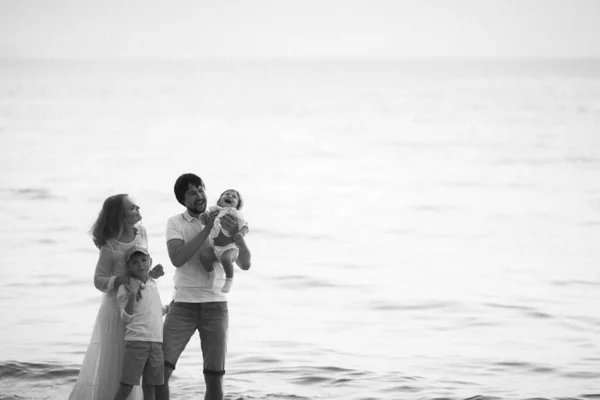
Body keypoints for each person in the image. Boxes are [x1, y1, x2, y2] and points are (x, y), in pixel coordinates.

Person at [155, 174, 252, 400]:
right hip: (182, 306)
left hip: (216, 306)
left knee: (214, 377)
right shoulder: (175, 223)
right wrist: (206, 229)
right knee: (160, 370)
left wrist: (238, 237)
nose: (199, 195)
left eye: (200, 190)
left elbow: (245, 264)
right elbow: (177, 259)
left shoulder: (227, 218)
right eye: (192, 192)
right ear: (183, 199)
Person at [69, 194, 164, 400]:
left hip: (141, 310)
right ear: (120, 216)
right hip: (116, 309)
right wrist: (123, 281)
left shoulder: (142, 233)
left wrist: (151, 275)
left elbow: (141, 266)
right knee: (118, 362)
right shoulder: (110, 245)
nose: (138, 208)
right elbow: (99, 280)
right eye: (132, 208)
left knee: (140, 363)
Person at [114, 245, 168, 400]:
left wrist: (168, 308)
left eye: (144, 260)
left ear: (150, 261)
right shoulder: (126, 287)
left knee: (150, 388)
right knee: (126, 386)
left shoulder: (153, 284)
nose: (140, 264)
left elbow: (154, 311)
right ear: (129, 266)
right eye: (135, 262)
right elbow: (126, 317)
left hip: (156, 343)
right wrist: (132, 294)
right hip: (137, 342)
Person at [198, 189, 249, 293]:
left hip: (231, 248)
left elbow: (245, 226)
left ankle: (229, 281)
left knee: (226, 258)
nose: (229, 196)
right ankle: (212, 274)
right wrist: (203, 218)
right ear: (219, 201)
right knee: (203, 256)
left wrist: (240, 233)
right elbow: (204, 220)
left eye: (234, 197)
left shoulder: (236, 214)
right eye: (226, 194)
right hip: (215, 248)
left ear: (237, 206)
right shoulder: (214, 210)